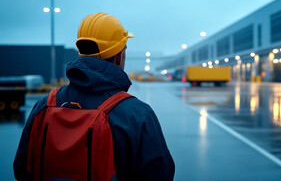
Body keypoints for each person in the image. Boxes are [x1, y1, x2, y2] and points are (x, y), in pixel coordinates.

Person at [13, 12, 175, 180]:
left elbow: (21, 169)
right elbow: (160, 174)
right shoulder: (137, 114)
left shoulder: (44, 107)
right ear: (119, 56)